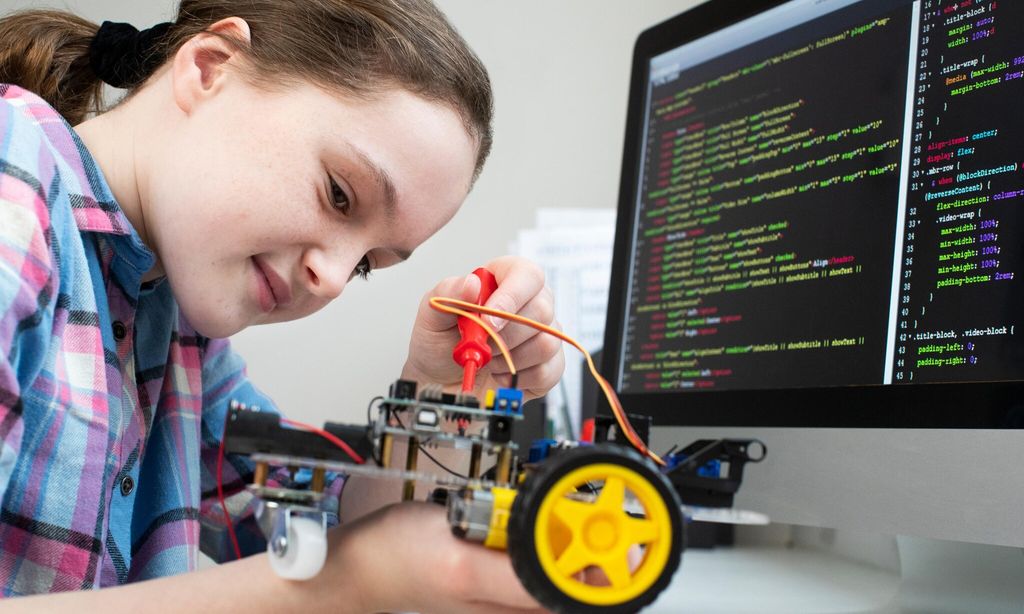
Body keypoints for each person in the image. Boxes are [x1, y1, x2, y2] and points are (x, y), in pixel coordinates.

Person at [0, 1, 565, 611]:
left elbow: (316, 519)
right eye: (340, 194)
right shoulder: (15, 185)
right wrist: (347, 582)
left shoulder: (172, 318)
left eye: (367, 264)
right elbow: (345, 559)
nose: (332, 279)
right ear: (211, 68)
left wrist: (436, 391)